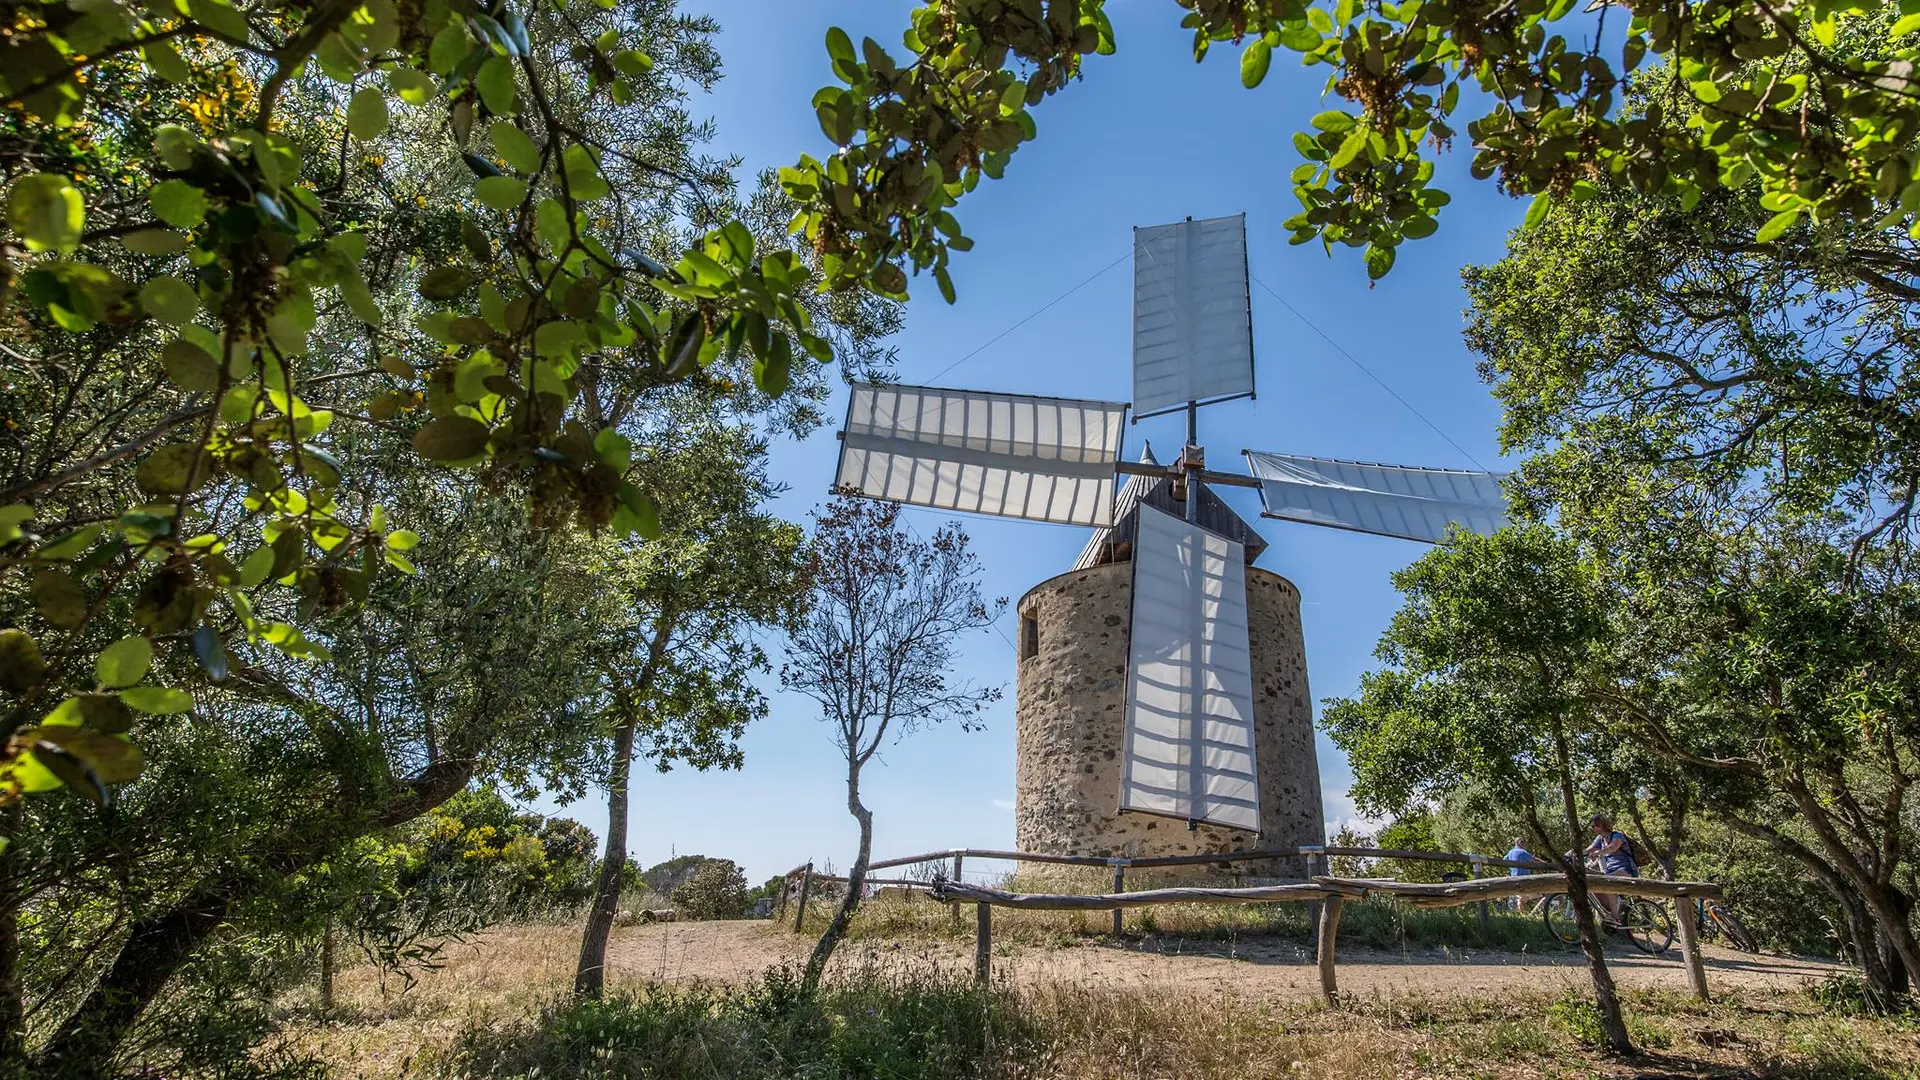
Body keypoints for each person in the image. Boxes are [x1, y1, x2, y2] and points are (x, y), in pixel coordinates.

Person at [1584, 814, 1639, 925]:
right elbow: (1588, 849)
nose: (1592, 828)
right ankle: (1612, 910)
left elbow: (1612, 848)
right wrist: (1573, 854)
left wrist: (1598, 852)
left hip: (1626, 870)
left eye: (1593, 826)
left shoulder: (1617, 836)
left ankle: (1615, 917)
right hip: (1611, 872)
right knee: (1596, 883)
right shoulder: (1600, 839)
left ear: (1600, 825)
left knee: (1607, 881)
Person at [1504, 835, 1534, 912]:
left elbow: (1504, 859)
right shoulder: (1522, 852)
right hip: (1524, 878)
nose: (1525, 844)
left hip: (1514, 877)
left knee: (1523, 897)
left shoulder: (1510, 852)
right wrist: (1545, 864)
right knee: (1521, 898)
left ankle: (1525, 914)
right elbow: (1533, 859)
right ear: (1519, 842)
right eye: (1523, 842)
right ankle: (1523, 915)